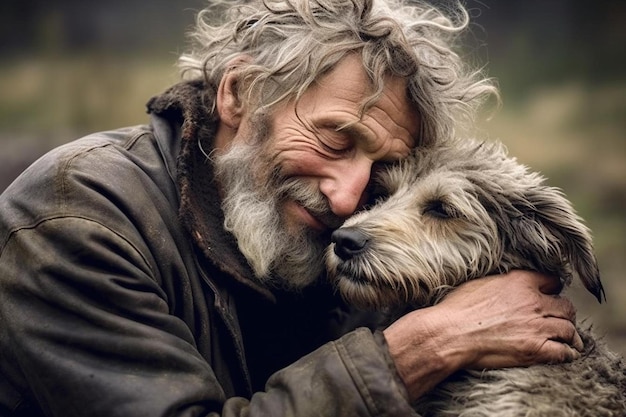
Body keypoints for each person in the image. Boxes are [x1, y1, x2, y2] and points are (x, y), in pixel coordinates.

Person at [0, 0, 583, 416]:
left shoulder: (311, 228)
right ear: (237, 93)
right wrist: (423, 348)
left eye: (378, 169)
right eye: (334, 140)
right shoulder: (75, 217)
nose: (350, 201)